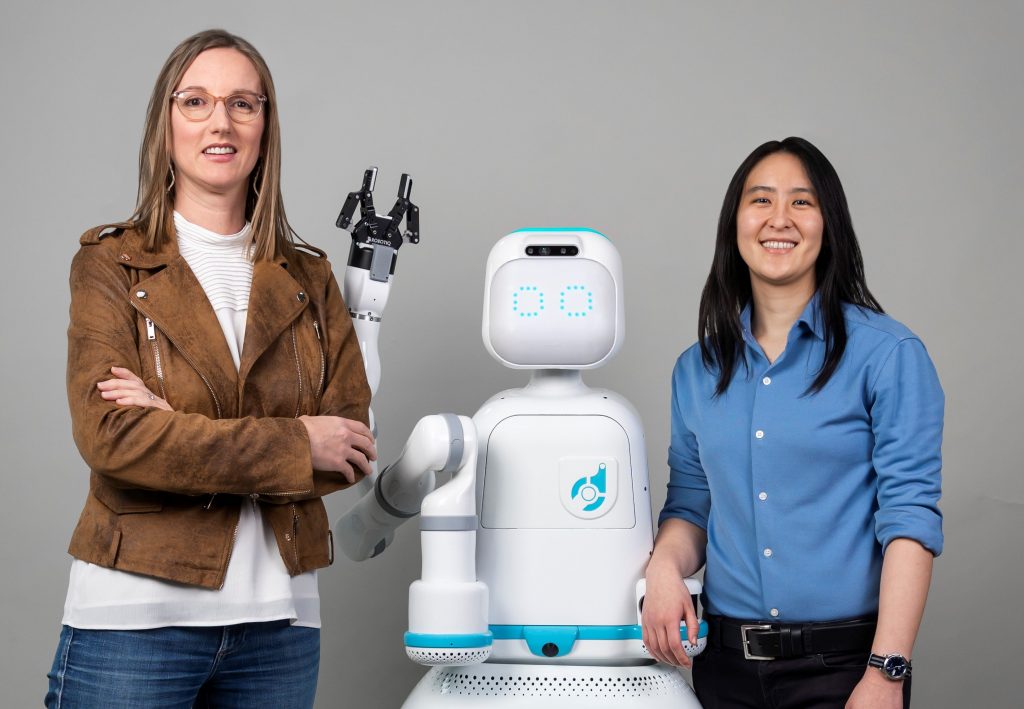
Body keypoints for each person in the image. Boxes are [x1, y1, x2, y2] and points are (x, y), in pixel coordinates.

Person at [46, 29, 376, 708]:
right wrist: (293, 440)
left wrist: (179, 427)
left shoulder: (309, 279)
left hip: (280, 626)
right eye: (195, 101)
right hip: (135, 618)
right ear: (165, 124)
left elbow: (348, 447)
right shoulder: (112, 266)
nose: (220, 122)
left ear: (265, 126)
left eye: (242, 104)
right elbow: (113, 438)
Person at [641, 137, 943, 709]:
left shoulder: (888, 355)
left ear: (830, 224)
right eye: (761, 200)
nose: (779, 219)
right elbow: (691, 507)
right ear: (735, 223)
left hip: (846, 672)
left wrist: (887, 674)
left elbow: (909, 518)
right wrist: (663, 571)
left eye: (802, 203)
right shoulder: (695, 370)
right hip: (724, 669)